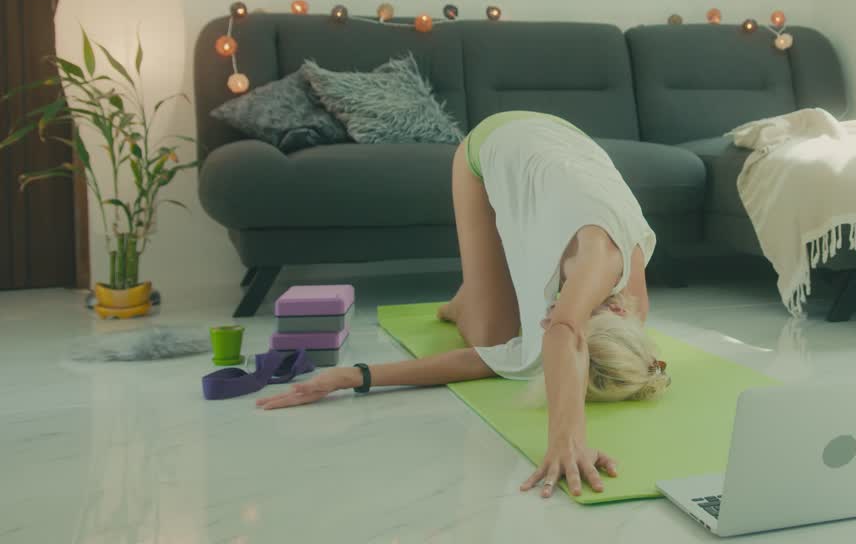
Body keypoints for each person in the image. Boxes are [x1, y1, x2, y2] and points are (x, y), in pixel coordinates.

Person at [256, 110, 671, 499]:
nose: (548, 325)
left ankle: (482, 291)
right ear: (617, 309)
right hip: (499, 141)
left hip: (560, 161)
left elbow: (479, 361)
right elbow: (565, 333)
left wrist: (352, 377)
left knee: (507, 339)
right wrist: (567, 438)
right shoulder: (605, 255)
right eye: (581, 320)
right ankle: (462, 301)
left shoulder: (615, 323)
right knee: (513, 330)